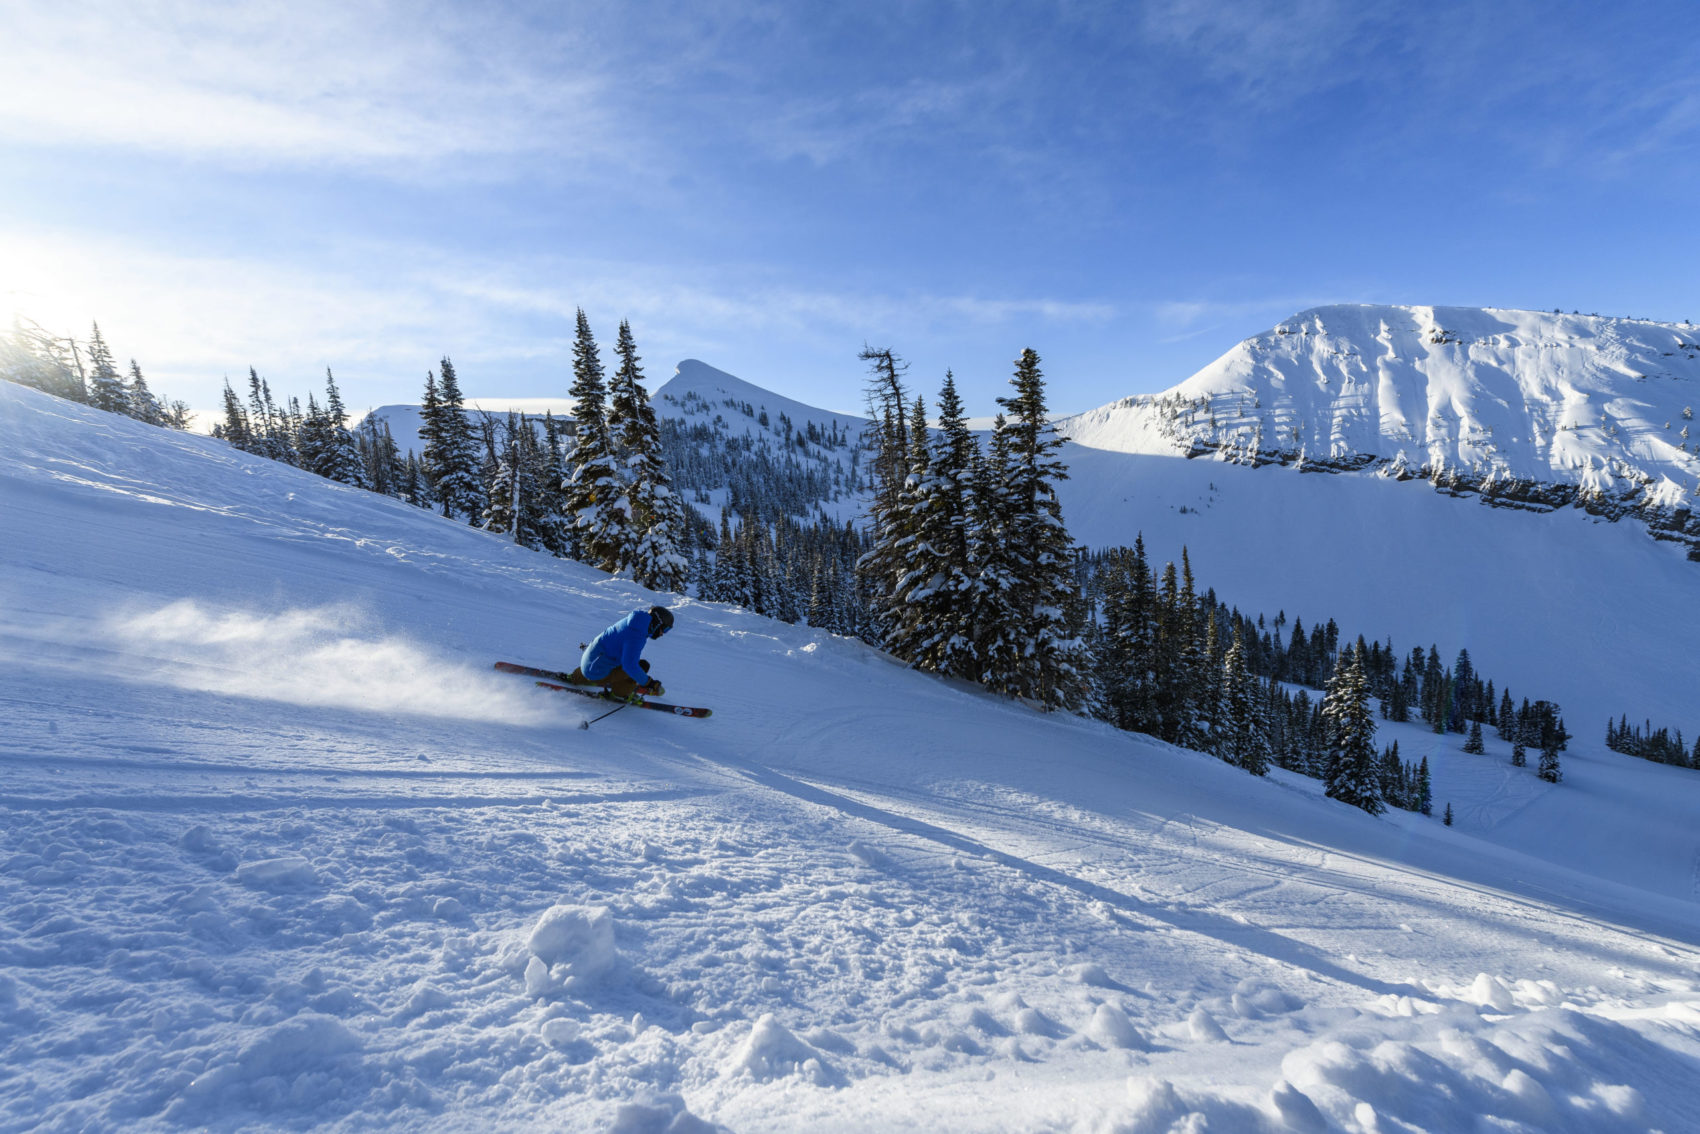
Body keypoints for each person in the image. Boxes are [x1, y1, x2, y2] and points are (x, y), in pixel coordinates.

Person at [567, 605, 673, 701]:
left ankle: (577, 677)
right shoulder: (636, 635)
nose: (663, 634)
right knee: (642, 666)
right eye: (665, 629)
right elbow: (630, 666)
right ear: (657, 623)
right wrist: (649, 683)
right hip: (596, 671)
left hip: (590, 660)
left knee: (622, 660)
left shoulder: (634, 622)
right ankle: (620, 694)